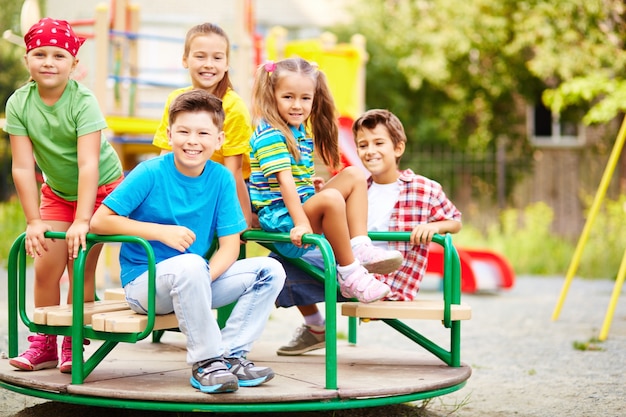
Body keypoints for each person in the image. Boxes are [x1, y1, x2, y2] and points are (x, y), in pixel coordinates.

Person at [90, 89, 286, 394]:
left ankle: (231, 355)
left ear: (219, 140)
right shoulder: (150, 172)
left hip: (196, 277)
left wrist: (201, 279)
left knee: (270, 270)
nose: (192, 140)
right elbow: (100, 221)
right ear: (169, 135)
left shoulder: (221, 178)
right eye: (183, 131)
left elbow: (230, 246)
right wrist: (160, 232)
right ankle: (206, 362)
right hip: (146, 286)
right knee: (193, 264)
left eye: (203, 133)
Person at [275, 109, 462, 356]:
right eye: (362, 145)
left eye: (378, 143)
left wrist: (433, 226)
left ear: (398, 148)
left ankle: (320, 323)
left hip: (390, 276)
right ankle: (316, 327)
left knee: (283, 264)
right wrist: (321, 195)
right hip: (352, 269)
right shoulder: (359, 188)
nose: (369, 150)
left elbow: (455, 221)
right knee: (277, 264)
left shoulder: (423, 188)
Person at [4, 18, 124, 373]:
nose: (48, 62)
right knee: (44, 268)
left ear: (74, 63)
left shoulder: (82, 101)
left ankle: (72, 341)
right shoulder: (19, 104)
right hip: (57, 193)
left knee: (80, 268)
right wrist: (34, 221)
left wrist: (84, 221)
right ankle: (43, 342)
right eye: (39, 54)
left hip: (102, 191)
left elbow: (89, 165)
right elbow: (24, 168)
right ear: (27, 59)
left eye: (59, 55)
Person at [248, 57, 403, 306]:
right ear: (272, 95)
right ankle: (350, 274)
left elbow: (295, 182)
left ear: (314, 97)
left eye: (305, 98)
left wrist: (312, 190)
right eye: (288, 97)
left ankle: (360, 245)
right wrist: (301, 222)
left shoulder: (298, 132)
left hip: (296, 211)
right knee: (331, 198)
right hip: (283, 224)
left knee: (354, 175)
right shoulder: (271, 135)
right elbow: (285, 183)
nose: (297, 105)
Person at [152, 22, 253, 227]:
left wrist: (242, 218)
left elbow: (233, 171)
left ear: (226, 64)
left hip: (222, 185)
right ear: (185, 60)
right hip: (187, 180)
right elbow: (165, 156)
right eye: (200, 56)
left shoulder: (233, 106)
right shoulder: (175, 99)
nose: (209, 64)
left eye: (217, 58)